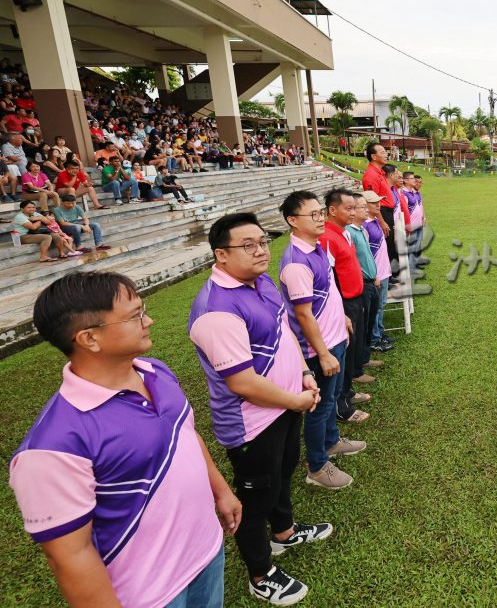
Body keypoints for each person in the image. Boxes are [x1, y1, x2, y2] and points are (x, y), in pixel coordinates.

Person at [10, 272, 241, 608]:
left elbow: (185, 434)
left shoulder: (154, 370)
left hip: (206, 553)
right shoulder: (51, 448)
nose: (150, 319)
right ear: (89, 338)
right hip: (150, 595)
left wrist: (220, 489)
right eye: (135, 316)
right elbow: (71, 556)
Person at [188, 213, 332, 605]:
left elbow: (285, 334)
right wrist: (295, 400)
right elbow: (243, 383)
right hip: (252, 423)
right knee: (254, 498)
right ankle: (260, 571)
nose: (259, 251)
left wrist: (303, 373)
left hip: (284, 405)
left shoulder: (262, 283)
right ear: (220, 255)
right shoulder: (216, 311)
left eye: (262, 243)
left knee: (283, 472)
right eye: (246, 245)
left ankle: (284, 530)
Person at [278, 191, 366, 491]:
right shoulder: (296, 263)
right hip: (320, 348)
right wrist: (323, 353)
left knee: (330, 399)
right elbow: (303, 315)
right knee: (319, 406)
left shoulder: (316, 248)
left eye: (320, 213)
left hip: (334, 336)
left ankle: (330, 442)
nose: (319, 219)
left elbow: (327, 290)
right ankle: (316, 466)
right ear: (292, 221)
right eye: (312, 215)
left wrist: (341, 317)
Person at [319, 189, 373, 423]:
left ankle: (348, 392)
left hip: (356, 298)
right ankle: (342, 406)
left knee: (352, 350)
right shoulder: (327, 238)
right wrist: (340, 310)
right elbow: (330, 279)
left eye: (354, 208)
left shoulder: (345, 233)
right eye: (348, 208)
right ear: (332, 210)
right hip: (345, 304)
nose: (352, 213)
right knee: (344, 352)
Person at [350, 192, 384, 368]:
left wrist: (376, 275)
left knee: (368, 323)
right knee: (361, 327)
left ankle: (364, 358)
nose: (367, 210)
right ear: (352, 211)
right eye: (363, 207)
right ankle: (357, 367)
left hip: (371, 282)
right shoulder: (350, 233)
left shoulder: (361, 229)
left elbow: (368, 257)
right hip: (362, 285)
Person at [363, 190, 395, 353]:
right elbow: (366, 255)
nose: (379, 205)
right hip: (376, 274)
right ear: (364, 205)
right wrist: (373, 274)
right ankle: (374, 339)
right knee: (376, 308)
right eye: (374, 203)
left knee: (381, 306)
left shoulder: (374, 220)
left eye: (379, 202)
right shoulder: (364, 226)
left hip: (384, 271)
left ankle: (379, 333)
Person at [361, 143, 398, 276]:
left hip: (387, 212)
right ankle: (386, 277)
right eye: (382, 152)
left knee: (390, 244)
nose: (386, 154)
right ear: (373, 156)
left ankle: (391, 275)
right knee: (386, 245)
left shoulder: (380, 172)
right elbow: (372, 201)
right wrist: (381, 221)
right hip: (381, 213)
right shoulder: (371, 175)